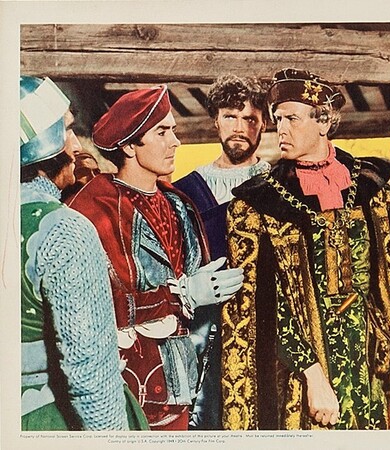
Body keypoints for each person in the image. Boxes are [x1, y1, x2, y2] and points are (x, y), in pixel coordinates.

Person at [221, 68, 390, 430]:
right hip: (303, 377)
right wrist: (313, 375)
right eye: (278, 119)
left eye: (292, 118)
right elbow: (263, 307)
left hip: (373, 370)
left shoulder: (374, 191)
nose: (281, 129)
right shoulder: (258, 205)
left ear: (323, 122)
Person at [66, 85, 244, 430]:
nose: (175, 142)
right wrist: (181, 294)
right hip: (123, 387)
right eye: (162, 132)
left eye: (173, 131)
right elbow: (85, 309)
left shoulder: (178, 203)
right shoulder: (93, 209)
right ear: (129, 145)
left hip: (181, 383)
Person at [20, 76, 147, 431]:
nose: (76, 145)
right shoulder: (64, 229)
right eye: (66, 130)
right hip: (47, 420)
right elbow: (91, 375)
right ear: (40, 146)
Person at [173, 75, 270, 429]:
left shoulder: (278, 186)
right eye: (230, 116)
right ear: (215, 119)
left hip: (264, 327)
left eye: (250, 119)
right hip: (203, 330)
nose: (240, 128)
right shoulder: (184, 191)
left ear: (264, 124)